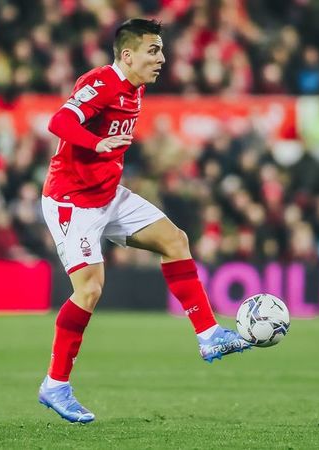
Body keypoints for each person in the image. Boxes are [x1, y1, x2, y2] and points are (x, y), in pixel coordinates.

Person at [38, 18, 251, 424]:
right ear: (127, 54)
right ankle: (55, 385)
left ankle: (208, 336)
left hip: (108, 194)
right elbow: (59, 123)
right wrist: (96, 142)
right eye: (154, 51)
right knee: (90, 290)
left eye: (162, 50)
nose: (162, 59)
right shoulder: (102, 83)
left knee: (175, 240)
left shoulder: (134, 89)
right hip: (72, 201)